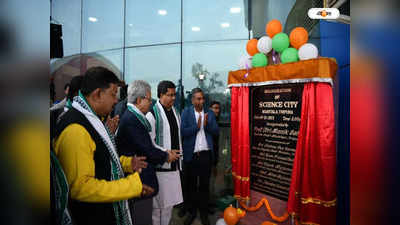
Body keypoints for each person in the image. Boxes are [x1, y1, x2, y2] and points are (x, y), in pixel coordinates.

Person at [53, 67, 152, 225]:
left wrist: (127, 164)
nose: (116, 100)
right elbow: (80, 187)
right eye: (113, 94)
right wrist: (131, 186)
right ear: (97, 94)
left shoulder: (93, 119)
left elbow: (101, 159)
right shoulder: (76, 130)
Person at [116, 80, 180, 225]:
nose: (150, 103)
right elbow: (147, 148)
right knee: (146, 216)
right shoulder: (134, 120)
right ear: (139, 100)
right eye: (148, 99)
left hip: (145, 175)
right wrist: (166, 155)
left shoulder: (134, 117)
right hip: (139, 178)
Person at [145, 80, 183, 225]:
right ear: (161, 95)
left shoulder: (176, 112)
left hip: (173, 167)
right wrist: (165, 153)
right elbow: (149, 143)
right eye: (170, 95)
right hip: (159, 167)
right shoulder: (152, 115)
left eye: (174, 95)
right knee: (157, 208)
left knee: (169, 206)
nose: (173, 98)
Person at [181, 88, 219, 225]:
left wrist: (207, 125)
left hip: (205, 156)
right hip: (191, 156)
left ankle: (203, 215)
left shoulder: (209, 113)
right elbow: (183, 132)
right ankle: (191, 213)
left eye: (202, 98)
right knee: (190, 186)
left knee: (204, 186)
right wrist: (196, 127)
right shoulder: (186, 113)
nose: (201, 101)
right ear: (192, 100)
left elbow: (216, 132)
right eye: (198, 99)